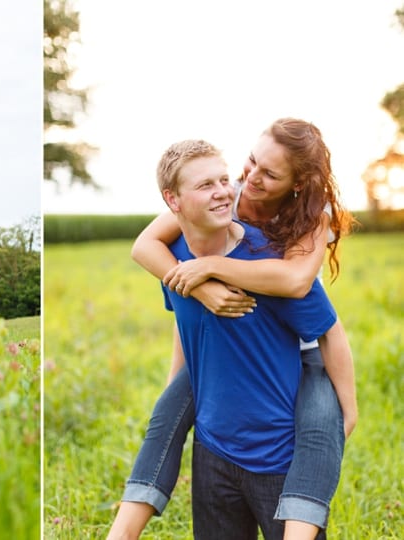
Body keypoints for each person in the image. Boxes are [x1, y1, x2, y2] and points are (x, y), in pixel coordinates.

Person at [108, 121, 357, 540]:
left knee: (319, 430)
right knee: (166, 414)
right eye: (252, 162)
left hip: (303, 350)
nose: (250, 179)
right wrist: (198, 287)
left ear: (297, 184)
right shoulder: (225, 198)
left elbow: (297, 284)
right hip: (220, 362)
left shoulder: (308, 222)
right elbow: (147, 251)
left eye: (270, 174)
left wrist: (347, 409)